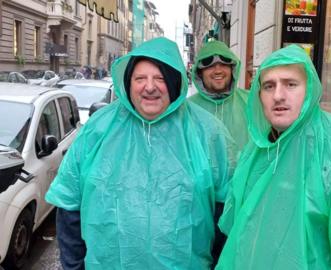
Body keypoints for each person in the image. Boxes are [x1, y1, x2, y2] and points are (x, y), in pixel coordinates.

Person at [46, 37, 236, 270]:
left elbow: (225, 212)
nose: (149, 87)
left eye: (160, 78)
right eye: (140, 78)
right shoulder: (98, 129)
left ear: (175, 81)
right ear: (128, 83)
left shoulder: (208, 132)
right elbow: (68, 205)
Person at [215, 45, 331, 269]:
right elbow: (238, 231)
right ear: (259, 95)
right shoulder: (257, 149)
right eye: (269, 86)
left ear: (309, 90)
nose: (278, 95)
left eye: (290, 84)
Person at [189, 40, 249, 153]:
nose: (218, 71)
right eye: (210, 66)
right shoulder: (187, 109)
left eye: (223, 64)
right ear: (200, 72)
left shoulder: (251, 102)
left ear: (232, 69)